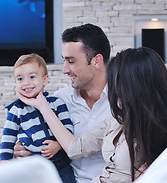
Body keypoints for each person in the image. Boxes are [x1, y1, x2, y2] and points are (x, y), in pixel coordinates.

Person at [17, 47, 167, 182]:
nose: (112, 86)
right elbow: (75, 148)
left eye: (72, 61)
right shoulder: (118, 117)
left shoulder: (147, 132)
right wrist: (42, 106)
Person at [14, 24, 111, 182]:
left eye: (71, 61)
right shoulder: (59, 100)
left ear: (97, 61)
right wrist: (22, 148)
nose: (64, 70)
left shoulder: (123, 102)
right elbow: (37, 136)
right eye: (64, 61)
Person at [0, 53, 76, 183]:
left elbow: (68, 128)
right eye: (20, 79)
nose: (26, 83)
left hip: (61, 162)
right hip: (34, 162)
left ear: (44, 79)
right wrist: (4, 160)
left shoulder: (57, 102)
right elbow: (7, 138)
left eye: (32, 77)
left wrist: (57, 145)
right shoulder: (16, 110)